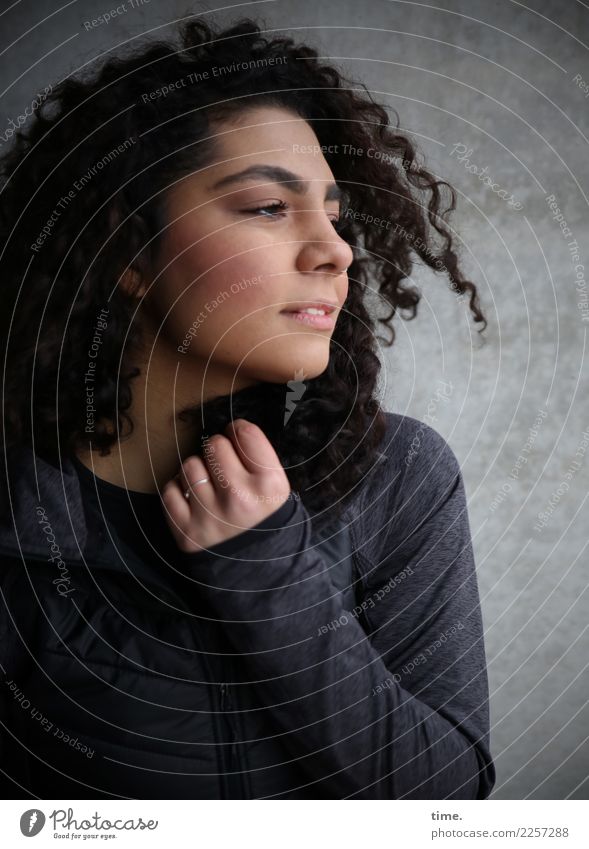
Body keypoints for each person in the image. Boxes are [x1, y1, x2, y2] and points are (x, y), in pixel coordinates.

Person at [0, 15, 494, 799]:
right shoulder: (20, 517)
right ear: (127, 248)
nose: (334, 248)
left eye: (333, 214)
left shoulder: (394, 476)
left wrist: (265, 566)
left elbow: (446, 800)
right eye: (268, 207)